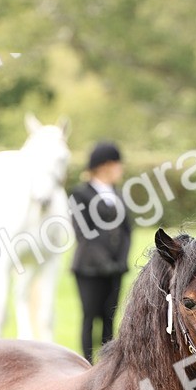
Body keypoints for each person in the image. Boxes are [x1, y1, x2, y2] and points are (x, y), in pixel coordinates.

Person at [70, 141, 132, 362]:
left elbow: (127, 230)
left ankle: (107, 364)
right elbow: (84, 233)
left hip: (115, 268)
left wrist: (121, 259)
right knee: (90, 317)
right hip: (89, 268)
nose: (120, 169)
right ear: (105, 165)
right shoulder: (80, 194)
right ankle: (86, 363)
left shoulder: (117, 193)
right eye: (117, 164)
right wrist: (104, 261)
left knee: (109, 318)